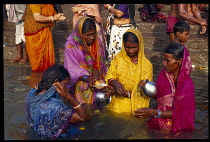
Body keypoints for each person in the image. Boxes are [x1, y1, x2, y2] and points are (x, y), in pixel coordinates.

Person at [134, 42, 195, 136]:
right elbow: (158, 97)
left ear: (179, 61)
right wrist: (146, 87)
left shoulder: (186, 84)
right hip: (158, 119)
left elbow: (181, 113)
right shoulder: (164, 75)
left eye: (168, 61)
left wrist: (154, 112)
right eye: (163, 59)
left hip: (176, 126)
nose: (163, 63)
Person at [25, 64, 91, 139]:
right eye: (65, 84)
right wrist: (68, 96)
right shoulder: (57, 107)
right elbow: (85, 118)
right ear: (56, 81)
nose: (67, 88)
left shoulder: (32, 94)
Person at [104, 28, 153, 114]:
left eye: (134, 47)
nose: (130, 50)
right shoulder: (118, 59)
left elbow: (146, 91)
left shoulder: (146, 65)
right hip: (117, 106)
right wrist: (115, 83)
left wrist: (125, 93)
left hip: (138, 109)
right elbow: (109, 75)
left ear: (140, 45)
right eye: (127, 47)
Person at [64, 17, 107, 106]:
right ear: (80, 33)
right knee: (82, 91)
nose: (91, 37)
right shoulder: (71, 45)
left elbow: (99, 63)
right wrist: (87, 78)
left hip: (95, 76)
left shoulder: (97, 42)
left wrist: (95, 79)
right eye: (87, 35)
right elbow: (72, 68)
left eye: (93, 34)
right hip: (78, 79)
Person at [24, 4, 65, 72]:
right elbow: (37, 17)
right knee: (38, 60)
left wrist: (58, 16)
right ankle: (38, 76)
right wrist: (53, 18)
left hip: (45, 29)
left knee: (46, 58)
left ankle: (47, 75)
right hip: (35, 33)